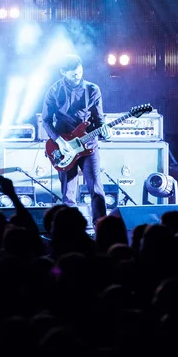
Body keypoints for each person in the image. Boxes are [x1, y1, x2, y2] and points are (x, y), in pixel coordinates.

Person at [41, 53, 111, 228]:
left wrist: (105, 131)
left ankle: (100, 227)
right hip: (64, 148)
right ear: (63, 72)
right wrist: (59, 141)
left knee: (96, 189)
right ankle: (69, 229)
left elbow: (99, 119)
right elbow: (46, 120)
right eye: (72, 73)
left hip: (88, 145)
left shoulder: (92, 90)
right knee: (68, 194)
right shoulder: (54, 91)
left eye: (79, 71)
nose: (77, 75)